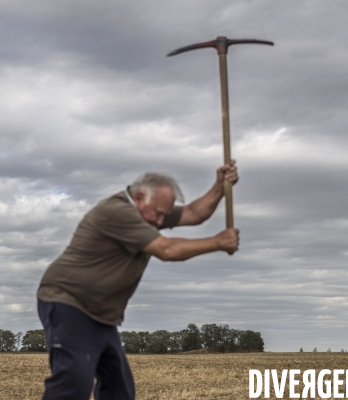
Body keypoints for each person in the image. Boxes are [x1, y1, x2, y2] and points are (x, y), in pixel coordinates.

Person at [36, 161, 240, 400]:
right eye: (159, 213)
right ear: (140, 196)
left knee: (119, 390)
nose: (160, 221)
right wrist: (217, 242)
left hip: (101, 314)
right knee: (73, 384)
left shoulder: (147, 212)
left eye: (165, 214)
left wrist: (219, 185)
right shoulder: (117, 212)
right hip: (68, 302)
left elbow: (193, 213)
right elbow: (166, 250)